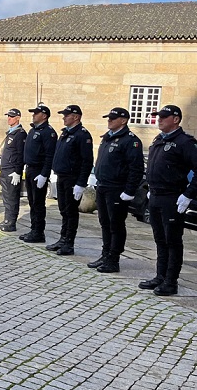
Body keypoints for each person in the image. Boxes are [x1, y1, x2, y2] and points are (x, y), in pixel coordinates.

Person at [137, 105, 197, 296]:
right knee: (160, 240)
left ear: (176, 119)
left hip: (172, 197)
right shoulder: (158, 140)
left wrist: (188, 194)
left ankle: (171, 281)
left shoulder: (184, 142)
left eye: (163, 117)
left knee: (172, 241)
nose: (159, 120)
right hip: (155, 195)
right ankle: (160, 276)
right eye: (157, 117)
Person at [89, 107, 144, 274]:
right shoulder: (108, 138)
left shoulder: (130, 140)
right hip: (104, 186)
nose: (109, 121)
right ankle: (105, 254)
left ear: (123, 120)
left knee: (116, 224)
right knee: (104, 223)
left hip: (117, 188)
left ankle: (114, 258)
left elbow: (136, 168)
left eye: (113, 118)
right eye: (108, 118)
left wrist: (129, 190)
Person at [46, 105, 94, 256]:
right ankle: (63, 238)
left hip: (73, 178)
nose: (63, 117)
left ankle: (69, 243)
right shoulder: (65, 133)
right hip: (62, 176)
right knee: (63, 209)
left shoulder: (82, 135)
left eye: (67, 115)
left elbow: (87, 161)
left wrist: (81, 183)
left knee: (71, 211)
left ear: (76, 117)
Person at [19, 104, 57, 243]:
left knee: (38, 203)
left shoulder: (48, 132)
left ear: (44, 116)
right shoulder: (34, 130)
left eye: (36, 113)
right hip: (30, 169)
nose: (33, 115)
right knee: (32, 202)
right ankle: (33, 228)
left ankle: (39, 232)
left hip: (39, 171)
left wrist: (44, 174)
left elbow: (49, 155)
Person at [0, 108, 27, 232]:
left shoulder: (20, 134)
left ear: (18, 118)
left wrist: (18, 171)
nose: (9, 119)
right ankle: (6, 220)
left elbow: (20, 154)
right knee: (6, 197)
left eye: (11, 117)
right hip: (6, 169)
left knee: (12, 197)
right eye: (8, 116)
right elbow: (10, 153)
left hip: (13, 171)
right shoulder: (11, 133)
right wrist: (0, 159)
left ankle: (11, 222)